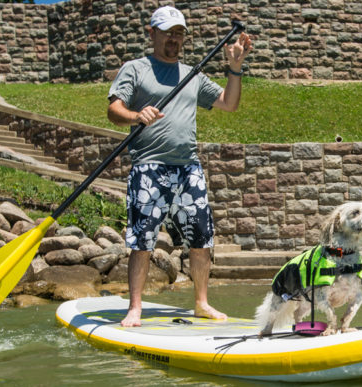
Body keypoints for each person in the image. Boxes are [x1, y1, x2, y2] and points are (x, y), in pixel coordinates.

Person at [107, 6, 252, 327]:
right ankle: (135, 307)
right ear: (152, 33)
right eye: (167, 31)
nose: (173, 38)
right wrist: (135, 116)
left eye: (179, 32)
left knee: (202, 239)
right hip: (148, 167)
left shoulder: (193, 75)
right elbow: (114, 108)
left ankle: (201, 302)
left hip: (189, 170)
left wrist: (235, 67)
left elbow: (229, 103)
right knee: (142, 241)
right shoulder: (136, 69)